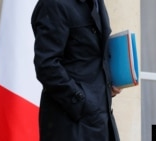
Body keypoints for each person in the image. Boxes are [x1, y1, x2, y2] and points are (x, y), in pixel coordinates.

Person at [31, 0, 121, 140]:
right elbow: (47, 65)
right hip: (70, 124)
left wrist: (107, 84)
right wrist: (81, 101)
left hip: (102, 122)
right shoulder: (54, 4)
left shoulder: (97, 3)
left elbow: (92, 58)